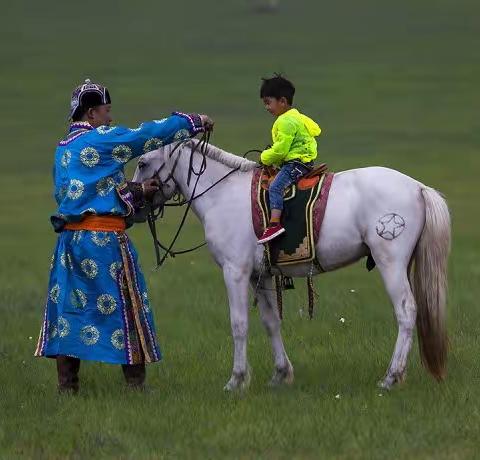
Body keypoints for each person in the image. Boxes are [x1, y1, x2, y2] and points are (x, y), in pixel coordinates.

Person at [35, 78, 213, 393]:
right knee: (127, 306)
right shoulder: (102, 140)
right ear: (91, 114)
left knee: (69, 312)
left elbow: (86, 193)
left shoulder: (63, 149)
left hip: (70, 244)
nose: (110, 118)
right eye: (106, 111)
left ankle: (68, 388)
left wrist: (136, 190)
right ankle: (136, 386)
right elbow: (144, 136)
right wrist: (190, 122)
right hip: (103, 243)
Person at [257, 75, 321, 244]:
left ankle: (274, 224)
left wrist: (264, 157)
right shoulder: (297, 117)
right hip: (303, 161)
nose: (266, 107)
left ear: (282, 101)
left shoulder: (285, 121)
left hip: (295, 163)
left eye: (268, 102)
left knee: (275, 187)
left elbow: (281, 150)